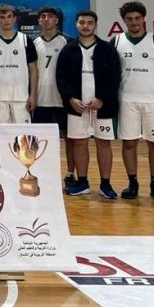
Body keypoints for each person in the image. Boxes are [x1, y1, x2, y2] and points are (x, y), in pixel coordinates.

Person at [56, 10, 121, 198]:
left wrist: (102, 98)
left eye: (90, 23)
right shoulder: (68, 50)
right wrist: (70, 98)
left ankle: (106, 184)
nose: (86, 26)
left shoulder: (107, 49)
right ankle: (82, 182)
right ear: (76, 24)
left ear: (95, 25)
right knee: (79, 143)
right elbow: (61, 77)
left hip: (103, 107)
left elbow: (114, 77)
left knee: (103, 143)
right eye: (82, 22)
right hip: (76, 107)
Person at [113, 1, 154, 201]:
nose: (134, 22)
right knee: (129, 143)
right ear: (124, 20)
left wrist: (151, 88)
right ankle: (133, 184)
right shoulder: (116, 41)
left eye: (137, 18)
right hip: (127, 100)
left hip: (153, 101)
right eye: (129, 19)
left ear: (144, 19)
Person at [32, 7, 74, 185]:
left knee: (70, 139)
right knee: (39, 140)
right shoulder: (33, 43)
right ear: (39, 21)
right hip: (40, 100)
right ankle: (42, 173)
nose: (46, 19)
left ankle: (70, 173)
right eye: (43, 16)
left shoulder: (67, 41)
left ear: (56, 20)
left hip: (62, 100)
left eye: (50, 16)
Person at [0, 4, 38, 124]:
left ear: (14, 19)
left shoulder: (26, 40)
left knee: (23, 134)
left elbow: (33, 70)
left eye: (9, 16)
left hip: (21, 98)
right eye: (2, 17)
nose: (6, 20)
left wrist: (33, 94)